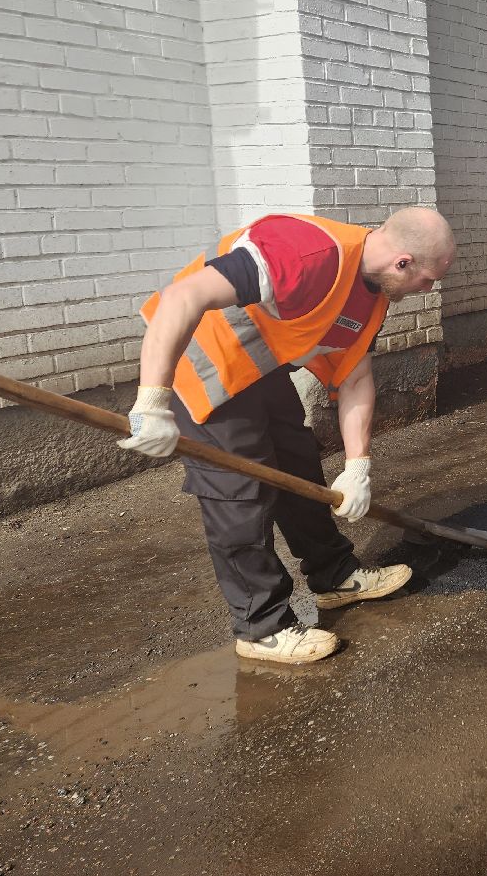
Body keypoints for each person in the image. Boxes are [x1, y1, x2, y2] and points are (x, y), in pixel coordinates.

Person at [117, 208, 456, 664]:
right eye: (427, 280)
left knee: (298, 463)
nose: (427, 290)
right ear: (403, 262)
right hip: (198, 362)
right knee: (240, 494)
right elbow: (182, 296)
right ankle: (261, 627)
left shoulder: (372, 295)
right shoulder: (303, 253)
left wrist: (358, 466)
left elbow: (355, 378)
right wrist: (152, 400)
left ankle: (334, 575)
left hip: (257, 368)